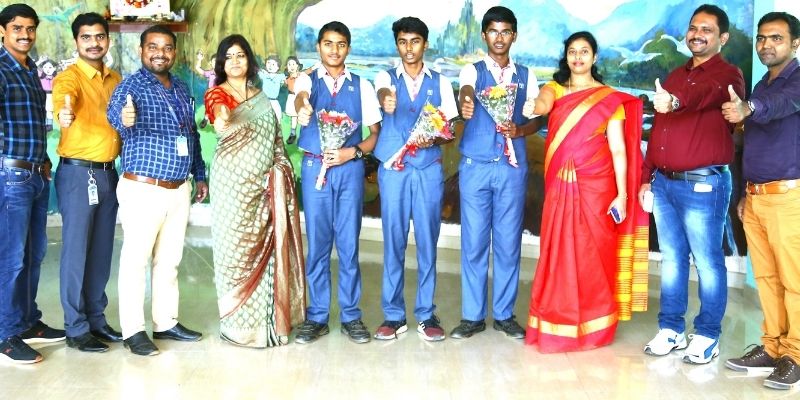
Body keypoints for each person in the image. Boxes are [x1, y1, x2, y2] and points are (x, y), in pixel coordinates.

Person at [521, 31, 649, 352]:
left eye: (584, 51)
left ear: (594, 57)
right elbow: (542, 103)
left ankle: (596, 327)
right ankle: (557, 323)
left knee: (595, 254)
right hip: (561, 184)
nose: (578, 57)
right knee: (559, 251)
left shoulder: (609, 99)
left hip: (599, 187)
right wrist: (533, 106)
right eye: (572, 52)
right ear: (566, 57)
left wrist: (622, 195)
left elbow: (618, 149)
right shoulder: (555, 89)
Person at [639, 4, 745, 364]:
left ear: (722, 38)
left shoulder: (728, 75)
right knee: (671, 260)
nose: (697, 35)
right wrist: (646, 177)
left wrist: (676, 100)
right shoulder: (674, 74)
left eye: (707, 30)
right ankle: (671, 328)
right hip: (665, 185)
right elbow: (659, 131)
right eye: (694, 28)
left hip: (704, 185)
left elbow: (708, 95)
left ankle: (707, 334)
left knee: (708, 262)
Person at [107, 24, 208, 356]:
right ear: (141, 50)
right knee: (136, 261)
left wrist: (199, 174)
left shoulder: (180, 87)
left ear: (174, 52)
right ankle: (133, 331)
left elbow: (190, 134)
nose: (160, 53)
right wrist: (124, 118)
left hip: (178, 189)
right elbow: (116, 116)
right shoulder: (130, 86)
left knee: (169, 261)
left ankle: (165, 322)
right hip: (144, 189)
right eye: (153, 47)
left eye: (166, 48)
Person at [203, 34, 306, 348]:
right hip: (231, 190)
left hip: (264, 188)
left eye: (241, 55)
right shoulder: (217, 93)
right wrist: (222, 119)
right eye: (229, 56)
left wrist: (278, 172)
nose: (235, 61)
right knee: (234, 255)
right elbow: (218, 110)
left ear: (249, 60)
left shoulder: (261, 98)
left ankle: (267, 327)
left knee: (267, 253)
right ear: (221, 63)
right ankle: (238, 328)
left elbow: (276, 142)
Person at [452, 5, 542, 340]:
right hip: (475, 166)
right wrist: (465, 102)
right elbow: (465, 91)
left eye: (505, 32)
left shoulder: (527, 76)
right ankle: (472, 316)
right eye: (493, 31)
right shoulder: (472, 71)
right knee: (474, 242)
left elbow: (538, 117)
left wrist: (521, 130)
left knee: (508, 242)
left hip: (511, 169)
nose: (499, 38)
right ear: (484, 35)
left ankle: (504, 314)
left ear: (513, 36)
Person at [722, 12, 800, 390]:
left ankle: (795, 356)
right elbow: (750, 146)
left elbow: (783, 104)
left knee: (794, 280)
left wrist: (749, 108)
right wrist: (743, 195)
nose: (766, 44)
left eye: (776, 38)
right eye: (762, 38)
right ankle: (772, 347)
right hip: (756, 197)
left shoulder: (793, 82)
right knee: (767, 279)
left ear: (795, 44)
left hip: (788, 198)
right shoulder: (761, 84)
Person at [292, 21, 381, 344]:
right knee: (318, 244)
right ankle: (317, 316)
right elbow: (301, 97)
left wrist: (351, 152)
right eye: (328, 43)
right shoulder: (307, 79)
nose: (334, 50)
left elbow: (374, 135)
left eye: (341, 44)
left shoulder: (362, 86)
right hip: (315, 167)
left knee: (348, 244)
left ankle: (351, 315)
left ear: (348, 48)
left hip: (349, 170)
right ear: (318, 47)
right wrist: (303, 109)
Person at [372, 17, 458, 342]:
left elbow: (449, 129)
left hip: (427, 169)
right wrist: (386, 100)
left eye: (415, 41)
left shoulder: (440, 82)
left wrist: (431, 139)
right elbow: (382, 94)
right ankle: (393, 316)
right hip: (394, 169)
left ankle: (426, 314)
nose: (409, 48)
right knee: (393, 240)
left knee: (427, 241)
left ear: (425, 44)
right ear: (397, 44)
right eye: (403, 42)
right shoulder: (386, 77)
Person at [52, 12, 123, 354]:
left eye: (99, 36)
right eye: (86, 37)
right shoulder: (69, 78)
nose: (94, 43)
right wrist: (63, 114)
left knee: (102, 251)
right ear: (76, 41)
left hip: (109, 173)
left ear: (107, 40)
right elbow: (63, 103)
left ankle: (96, 318)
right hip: (79, 175)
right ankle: (76, 327)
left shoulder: (115, 79)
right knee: (76, 251)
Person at [0, 3, 66, 365]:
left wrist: (43, 161)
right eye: (17, 28)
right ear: (2, 32)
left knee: (33, 254)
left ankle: (26, 321)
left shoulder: (28, 70)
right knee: (11, 258)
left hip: (37, 174)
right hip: (11, 175)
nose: (25, 35)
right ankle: (5, 334)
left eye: (30, 28)